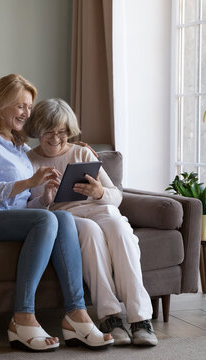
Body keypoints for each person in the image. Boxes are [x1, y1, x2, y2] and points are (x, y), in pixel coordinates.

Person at [0, 75, 113, 352]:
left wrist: (45, 196)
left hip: (10, 218)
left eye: (29, 107)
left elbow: (28, 207)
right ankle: (23, 317)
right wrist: (29, 182)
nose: (27, 113)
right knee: (47, 218)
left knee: (60, 217)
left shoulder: (20, 146)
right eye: (20, 106)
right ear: (1, 104)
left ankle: (77, 314)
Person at [24, 98, 158, 346]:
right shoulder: (27, 160)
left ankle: (141, 319)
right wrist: (45, 198)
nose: (56, 138)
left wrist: (98, 192)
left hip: (99, 208)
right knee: (90, 233)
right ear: (37, 131)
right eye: (49, 132)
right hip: (65, 217)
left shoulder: (82, 152)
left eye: (62, 132)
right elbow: (25, 209)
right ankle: (110, 316)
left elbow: (116, 197)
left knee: (119, 229)